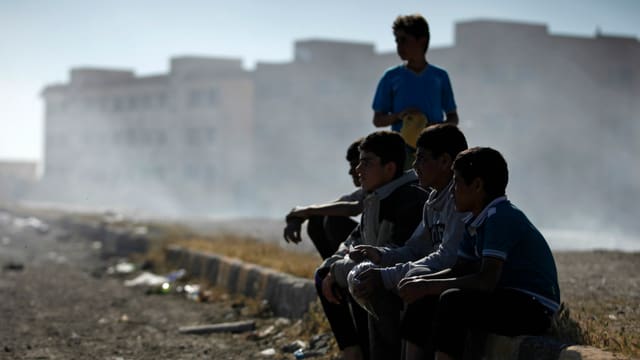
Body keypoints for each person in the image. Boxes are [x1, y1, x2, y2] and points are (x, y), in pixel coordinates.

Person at [397, 147, 561, 360]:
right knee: (424, 295)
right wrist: (421, 281)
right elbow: (459, 270)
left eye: (456, 182)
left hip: (534, 307)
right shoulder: (474, 220)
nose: (452, 190)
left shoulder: (500, 217)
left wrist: (428, 286)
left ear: (477, 185)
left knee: (452, 301)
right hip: (507, 297)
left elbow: (486, 281)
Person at [348, 124, 469, 360]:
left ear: (445, 162)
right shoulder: (434, 199)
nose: (414, 167)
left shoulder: (459, 200)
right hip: (444, 275)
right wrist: (380, 256)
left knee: (414, 288)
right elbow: (416, 248)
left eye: (421, 159)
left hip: (465, 282)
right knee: (378, 283)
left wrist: (387, 275)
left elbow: (447, 257)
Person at [315, 131, 428, 360]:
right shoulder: (375, 197)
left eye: (366, 163)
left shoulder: (409, 199)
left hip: (401, 287)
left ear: (389, 168)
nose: (358, 170)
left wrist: (338, 271)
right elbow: (353, 241)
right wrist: (333, 265)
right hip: (376, 276)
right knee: (327, 274)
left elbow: (395, 258)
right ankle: (354, 352)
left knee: (365, 282)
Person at [372, 14, 459, 168]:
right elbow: (378, 120)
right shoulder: (391, 77)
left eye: (404, 40)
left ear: (422, 40)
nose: (399, 46)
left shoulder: (439, 76)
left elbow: (453, 117)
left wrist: (436, 127)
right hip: (402, 151)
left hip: (433, 149)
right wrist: (400, 115)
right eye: (397, 41)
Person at [284, 138, 364, 259]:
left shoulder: (386, 188)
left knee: (333, 219)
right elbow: (332, 207)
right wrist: (299, 216)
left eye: (355, 164)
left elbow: (353, 209)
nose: (351, 171)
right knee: (318, 218)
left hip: (385, 253)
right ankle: (330, 272)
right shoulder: (364, 192)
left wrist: (306, 211)